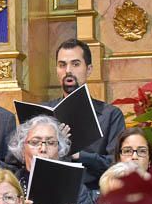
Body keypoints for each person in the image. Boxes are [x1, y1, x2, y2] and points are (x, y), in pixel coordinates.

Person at [49, 39, 126, 191]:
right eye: (62, 65)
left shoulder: (110, 115)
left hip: (96, 196)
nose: (68, 70)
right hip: (51, 192)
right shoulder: (44, 114)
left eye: (76, 64)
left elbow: (118, 165)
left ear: (89, 69)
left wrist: (79, 155)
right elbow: (19, 162)